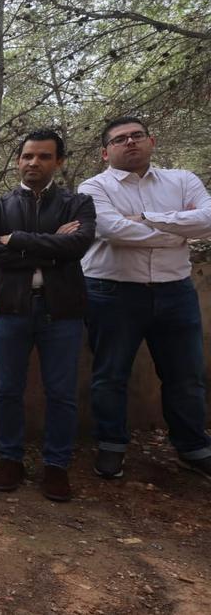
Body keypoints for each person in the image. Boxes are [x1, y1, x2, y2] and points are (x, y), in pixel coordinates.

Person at [79, 116, 211, 480]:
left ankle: (192, 447)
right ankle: (111, 445)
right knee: (110, 374)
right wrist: (178, 229)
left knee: (185, 375)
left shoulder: (182, 179)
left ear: (151, 141)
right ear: (106, 152)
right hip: (112, 291)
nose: (131, 142)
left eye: (137, 136)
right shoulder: (93, 186)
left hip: (176, 290)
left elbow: (209, 219)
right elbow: (112, 230)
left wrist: (148, 218)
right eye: (120, 139)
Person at [0, 129, 96, 502]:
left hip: (62, 311)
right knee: (6, 389)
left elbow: (77, 245)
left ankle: (56, 465)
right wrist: (52, 246)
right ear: (18, 161)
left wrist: (18, 240)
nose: (34, 163)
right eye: (28, 156)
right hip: (9, 308)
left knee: (61, 393)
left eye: (44, 156)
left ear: (58, 162)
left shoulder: (79, 204)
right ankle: (9, 457)